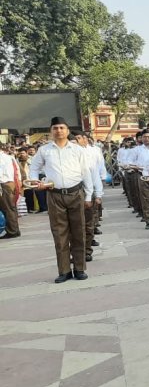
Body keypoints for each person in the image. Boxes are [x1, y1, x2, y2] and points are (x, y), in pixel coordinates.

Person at [29, 117, 95, 282]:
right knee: (59, 234)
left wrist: (88, 195)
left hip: (75, 194)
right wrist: (36, 182)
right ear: (51, 131)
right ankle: (64, 271)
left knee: (78, 232)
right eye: (55, 128)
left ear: (67, 131)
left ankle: (80, 268)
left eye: (61, 128)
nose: (58, 131)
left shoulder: (77, 149)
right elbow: (34, 167)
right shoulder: (44, 150)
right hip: (54, 195)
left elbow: (86, 173)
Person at [73, 131, 104, 262]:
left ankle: (87, 250)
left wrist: (98, 194)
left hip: (87, 193)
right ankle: (76, 252)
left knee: (88, 224)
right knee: (75, 226)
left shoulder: (88, 155)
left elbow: (95, 175)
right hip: (72, 194)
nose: (76, 142)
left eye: (78, 138)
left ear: (84, 140)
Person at [0, 148, 21, 239]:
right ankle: (14, 229)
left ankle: (13, 231)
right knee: (10, 208)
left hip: (3, 184)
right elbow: (18, 171)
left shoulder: (2, 157)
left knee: (7, 208)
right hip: (10, 183)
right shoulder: (9, 157)